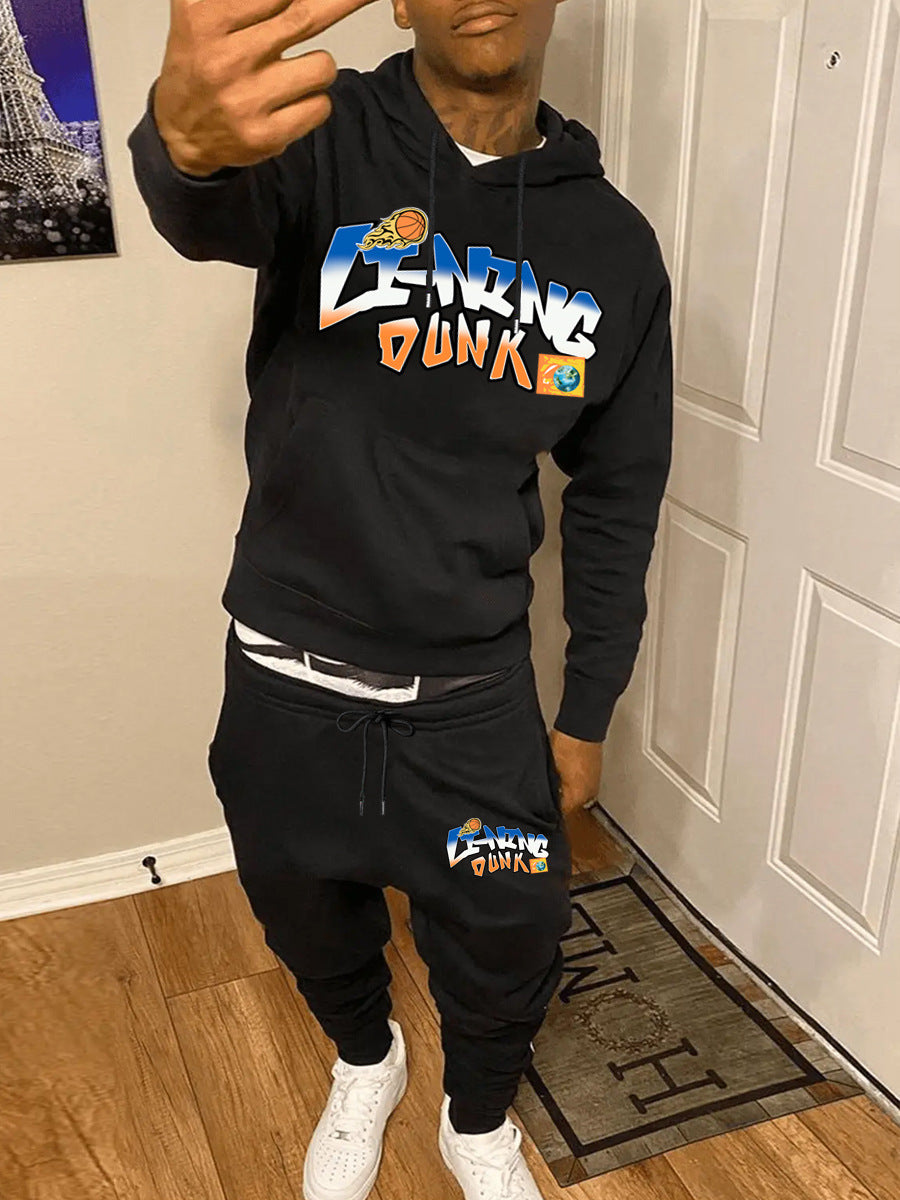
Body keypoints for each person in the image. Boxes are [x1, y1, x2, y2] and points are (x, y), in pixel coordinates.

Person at [128, 1, 673, 1196]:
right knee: (303, 914)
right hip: (286, 687)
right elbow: (206, 207)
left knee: (510, 929)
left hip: (472, 709)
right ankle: (365, 1059)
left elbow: (619, 497)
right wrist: (181, 148)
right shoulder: (320, 138)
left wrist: (586, 709)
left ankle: (475, 1124)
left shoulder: (614, 246)